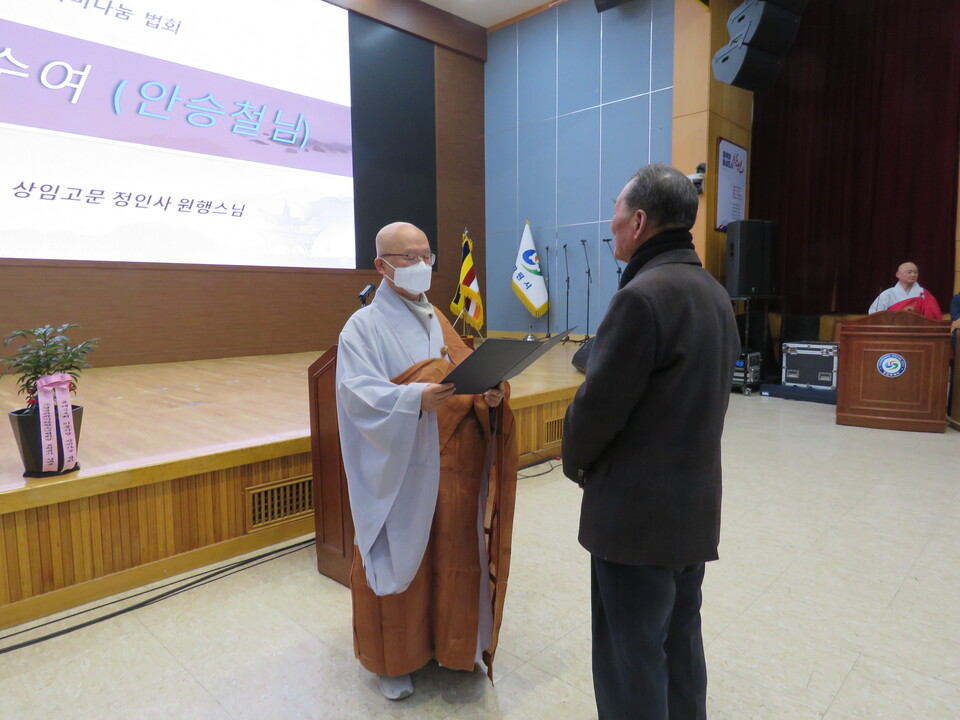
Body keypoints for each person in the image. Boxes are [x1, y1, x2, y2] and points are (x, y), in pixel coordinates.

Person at [562, 164, 740, 720]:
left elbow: (597, 412)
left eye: (616, 208)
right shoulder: (712, 292)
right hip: (689, 511)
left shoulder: (642, 296)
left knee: (629, 665)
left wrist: (575, 461)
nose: (609, 221)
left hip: (634, 524)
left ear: (638, 220)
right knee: (681, 652)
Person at [335, 221, 518, 701]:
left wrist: (491, 395)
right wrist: (415, 398)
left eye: (426, 256)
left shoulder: (437, 316)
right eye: (407, 258)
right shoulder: (363, 327)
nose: (421, 266)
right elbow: (358, 397)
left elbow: (465, 378)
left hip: (451, 466)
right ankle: (391, 660)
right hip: (399, 469)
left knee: (451, 559)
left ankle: (448, 646)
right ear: (381, 266)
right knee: (398, 560)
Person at [868, 262, 942, 318]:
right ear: (898, 274)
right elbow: (874, 315)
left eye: (916, 272)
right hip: (893, 332)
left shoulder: (924, 294)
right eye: (909, 272)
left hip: (918, 332)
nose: (913, 275)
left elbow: (934, 316)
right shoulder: (888, 294)